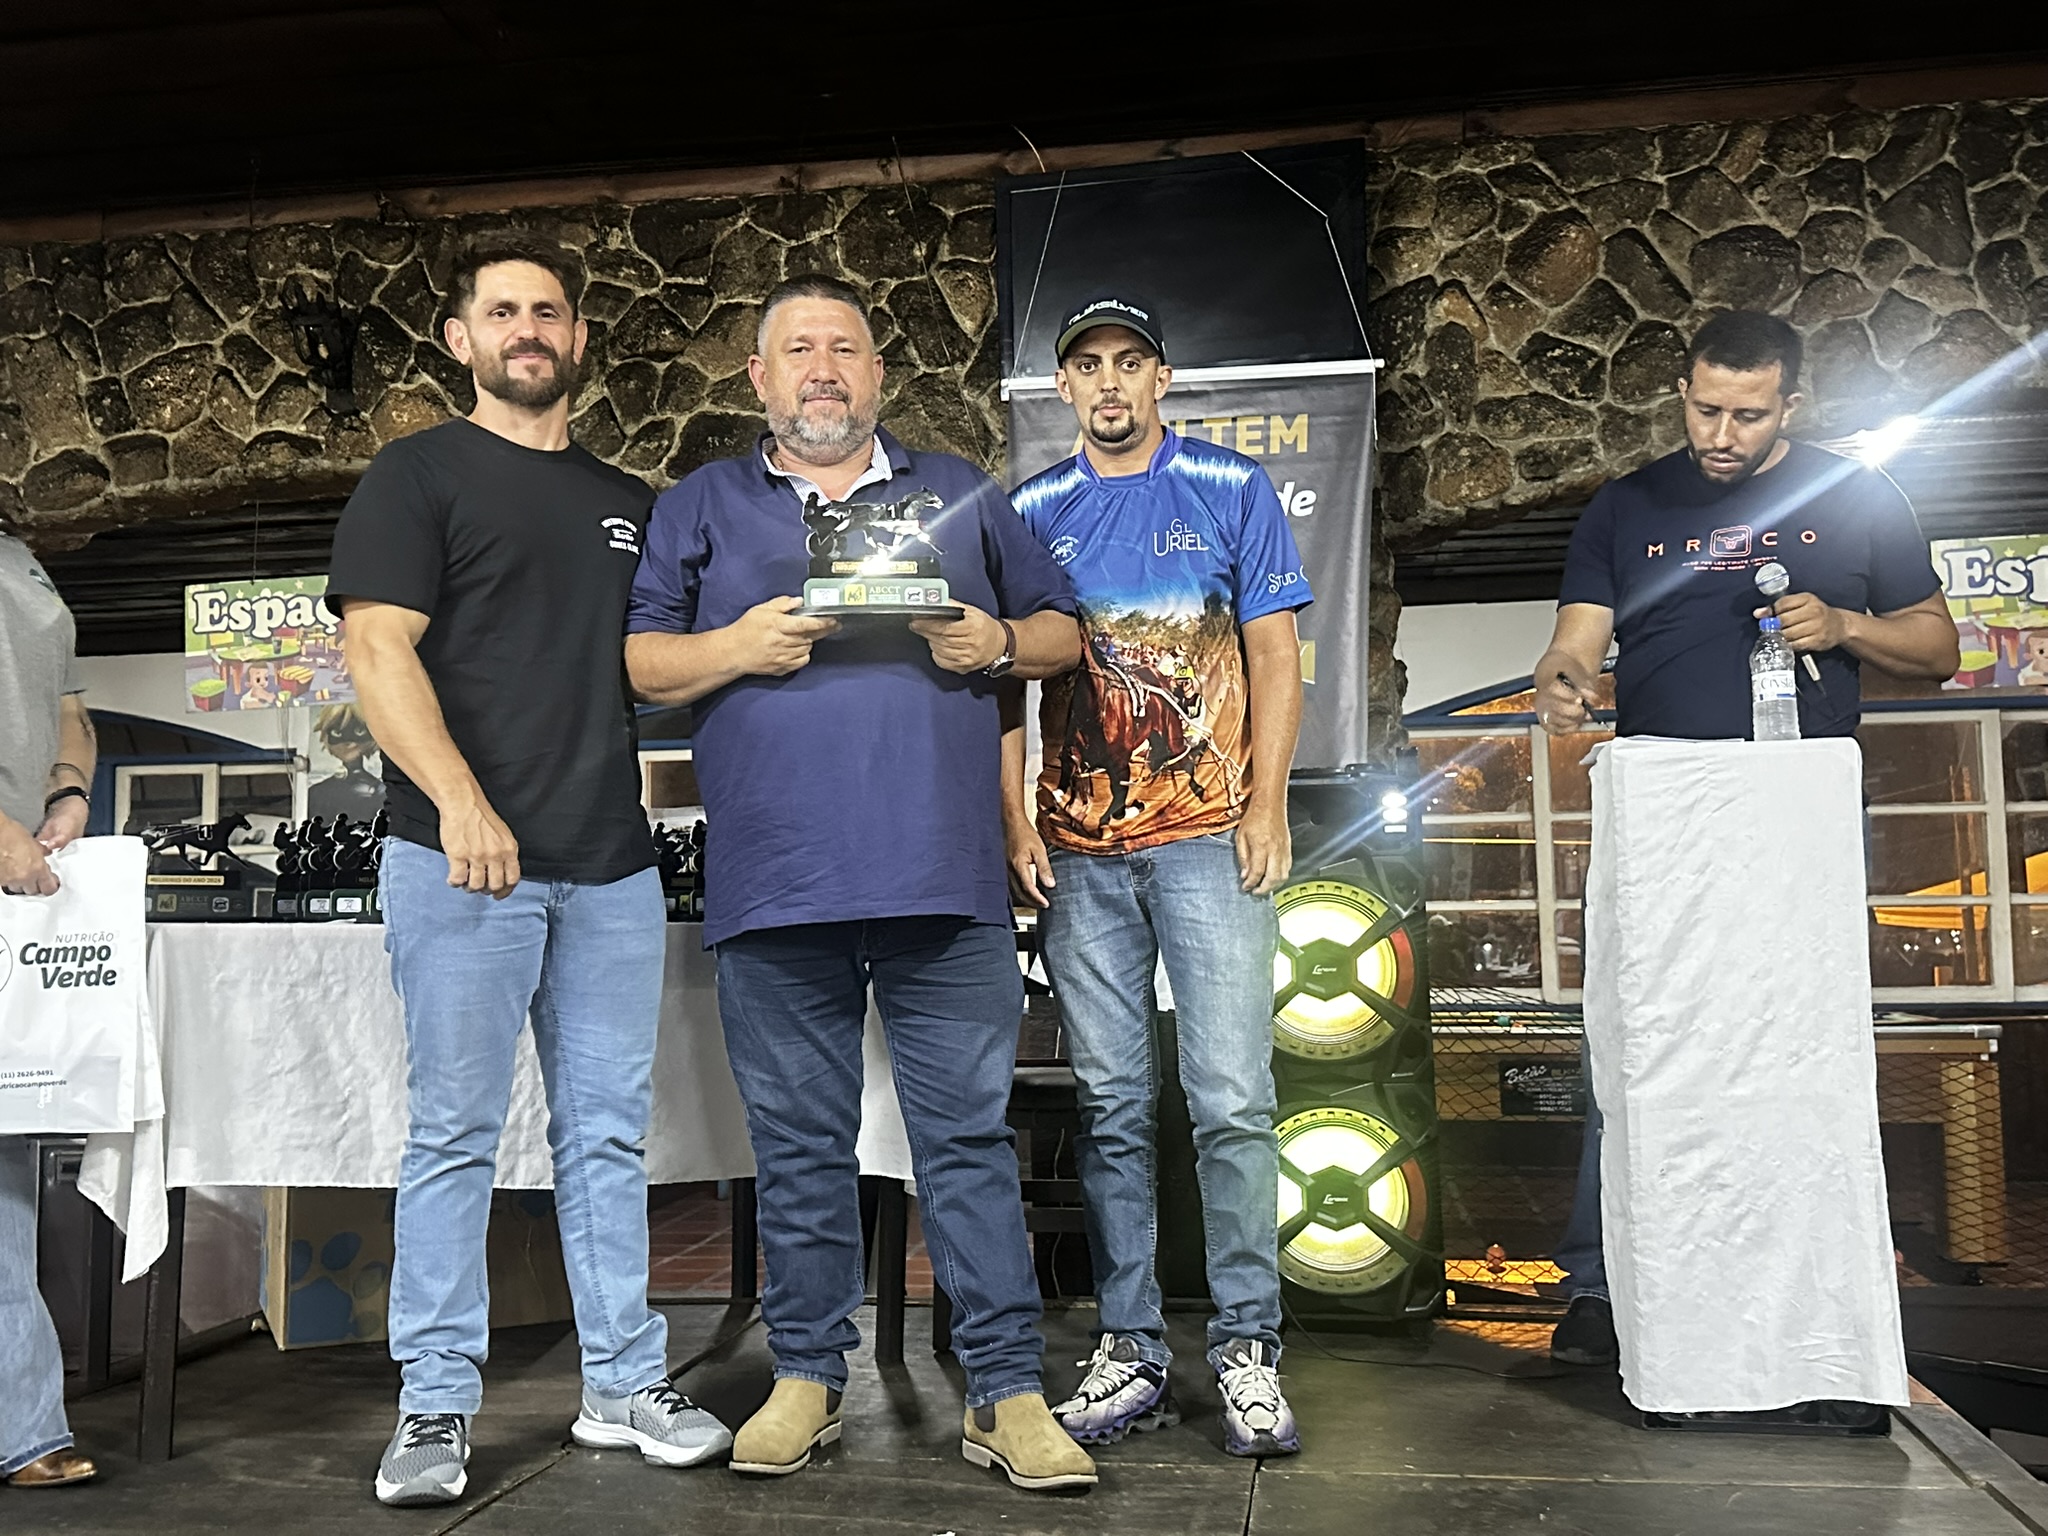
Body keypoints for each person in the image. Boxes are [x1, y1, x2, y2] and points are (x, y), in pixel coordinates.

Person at [624, 273, 1095, 1492]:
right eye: (798, 349)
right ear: (759, 378)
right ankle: (806, 1377)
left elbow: (1060, 631)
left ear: (879, 373)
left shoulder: (959, 489)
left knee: (965, 1144)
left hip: (945, 878)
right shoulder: (699, 503)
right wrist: (737, 646)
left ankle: (1006, 1390)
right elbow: (641, 662)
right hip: (776, 881)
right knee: (796, 1149)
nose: (822, 368)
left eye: (844, 347)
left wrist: (995, 641)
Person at [328, 235, 729, 1507]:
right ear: (461, 340)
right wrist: (461, 803)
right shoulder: (417, 474)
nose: (527, 330)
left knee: (605, 1135)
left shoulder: (628, 501)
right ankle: (435, 1404)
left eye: (547, 311)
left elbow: (653, 665)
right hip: (461, 862)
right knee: (453, 1135)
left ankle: (622, 1381)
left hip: (608, 864)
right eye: (501, 311)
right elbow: (377, 649)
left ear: (578, 338)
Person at [1533, 309, 1961, 1366]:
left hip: (1796, 814)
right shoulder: (1627, 505)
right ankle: (1600, 1285)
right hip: (1662, 814)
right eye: (1704, 410)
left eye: (1747, 415)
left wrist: (1846, 625)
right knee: (1632, 1041)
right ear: (1680, 393)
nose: (1720, 435)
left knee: (1795, 1046)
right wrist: (1562, 682)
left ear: (1791, 405)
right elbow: (1574, 640)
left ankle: (1797, 1285)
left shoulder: (1859, 497)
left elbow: (1938, 646)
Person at [1003, 296, 1311, 1457]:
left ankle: (1246, 1350)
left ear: (1160, 378)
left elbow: (1273, 653)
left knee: (1231, 1100)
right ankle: (1128, 1346)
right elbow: (1003, 680)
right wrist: (1011, 820)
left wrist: (1266, 803)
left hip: (1207, 836)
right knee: (1110, 1107)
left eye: (1127, 362)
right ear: (1064, 388)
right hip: (1079, 852)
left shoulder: (1229, 487)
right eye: (1086, 365)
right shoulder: (1031, 510)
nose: (1108, 382)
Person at [0, 516, 99, 1489]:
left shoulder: (19, 556)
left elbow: (67, 697)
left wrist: (68, 791)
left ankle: (23, 1425)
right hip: (6, 856)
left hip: (19, 883)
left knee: (5, 1164)